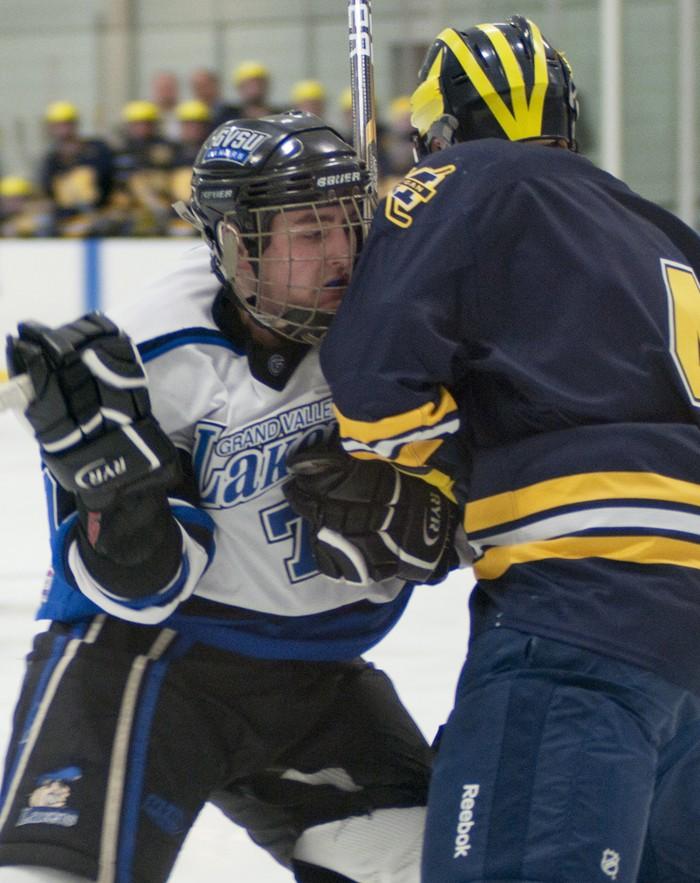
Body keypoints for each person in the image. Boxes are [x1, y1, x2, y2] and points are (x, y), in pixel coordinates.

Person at [284, 15, 700, 883]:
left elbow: (374, 387)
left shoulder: (449, 187)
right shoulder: (659, 229)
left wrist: (423, 472)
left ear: (438, 132)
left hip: (584, 606)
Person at [0, 111, 431, 883]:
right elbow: (138, 585)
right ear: (237, 244)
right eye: (308, 231)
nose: (340, 254)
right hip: (143, 665)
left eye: (347, 224)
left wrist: (435, 510)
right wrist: (121, 499)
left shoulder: (396, 326)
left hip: (317, 679)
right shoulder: (153, 353)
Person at [38, 101, 114, 237]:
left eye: (66, 124)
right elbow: (48, 193)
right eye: (57, 126)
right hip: (65, 218)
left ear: (75, 124)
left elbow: (108, 180)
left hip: (97, 213)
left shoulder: (96, 149)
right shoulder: (51, 160)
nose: (63, 130)